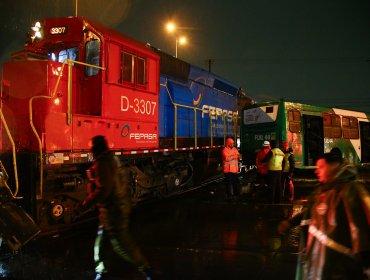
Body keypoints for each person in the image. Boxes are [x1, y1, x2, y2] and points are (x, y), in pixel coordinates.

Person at [278, 151, 370, 279]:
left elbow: (362, 234)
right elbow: (311, 212)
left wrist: (365, 265)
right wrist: (290, 222)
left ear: (334, 166)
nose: (316, 171)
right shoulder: (322, 192)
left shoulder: (351, 191)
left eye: (321, 167)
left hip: (340, 270)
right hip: (320, 266)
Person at [81, 135, 157, 280]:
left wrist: (86, 204)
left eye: (91, 148)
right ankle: (101, 270)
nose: (90, 150)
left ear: (96, 148)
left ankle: (147, 271)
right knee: (102, 242)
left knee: (123, 246)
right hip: (113, 209)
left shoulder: (103, 163)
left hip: (114, 211)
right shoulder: (111, 159)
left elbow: (104, 189)